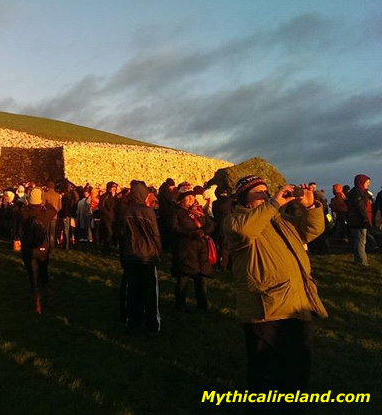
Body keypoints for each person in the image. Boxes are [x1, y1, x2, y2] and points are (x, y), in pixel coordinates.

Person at [224, 175, 327, 413]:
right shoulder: (234, 221)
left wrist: (310, 206)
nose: (264, 195)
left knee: (299, 367)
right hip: (266, 309)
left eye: (265, 191)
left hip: (296, 304)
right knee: (266, 373)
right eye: (257, 193)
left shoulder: (281, 221)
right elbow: (245, 232)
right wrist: (272, 204)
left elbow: (313, 230)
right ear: (244, 200)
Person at [117, 181, 162, 334]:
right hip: (147, 256)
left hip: (130, 255)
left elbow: (122, 236)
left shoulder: (125, 211)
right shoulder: (148, 212)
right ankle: (152, 324)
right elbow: (155, 235)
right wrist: (158, 252)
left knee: (132, 290)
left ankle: (132, 321)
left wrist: (122, 256)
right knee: (150, 292)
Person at [171, 183, 214, 312]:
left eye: (192, 197)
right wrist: (191, 234)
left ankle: (203, 305)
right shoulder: (177, 212)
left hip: (200, 249)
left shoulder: (200, 211)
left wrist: (204, 232)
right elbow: (174, 228)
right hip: (185, 249)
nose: (191, 200)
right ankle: (180, 305)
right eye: (188, 197)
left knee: (200, 279)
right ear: (182, 199)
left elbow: (210, 224)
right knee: (183, 278)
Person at [19, 187, 58, 314]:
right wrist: (44, 202)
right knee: (43, 272)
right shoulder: (46, 213)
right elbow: (54, 209)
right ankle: (47, 297)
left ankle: (37, 303)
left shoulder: (24, 212)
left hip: (28, 248)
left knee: (33, 275)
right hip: (43, 248)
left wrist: (26, 203)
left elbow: (16, 211)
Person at [345, 174, 373, 267]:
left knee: (360, 240)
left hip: (359, 220)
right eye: (367, 182)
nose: (368, 184)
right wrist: (365, 220)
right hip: (359, 221)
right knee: (360, 241)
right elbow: (360, 207)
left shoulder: (361, 192)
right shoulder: (357, 193)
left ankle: (359, 260)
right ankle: (362, 261)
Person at [99, 182, 119, 255]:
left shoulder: (116, 197)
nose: (114, 189)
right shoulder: (105, 196)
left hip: (114, 219)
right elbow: (101, 207)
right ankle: (106, 250)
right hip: (107, 219)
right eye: (113, 187)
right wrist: (107, 214)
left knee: (113, 234)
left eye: (115, 187)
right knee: (108, 234)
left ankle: (110, 250)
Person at [42, 181, 62, 249]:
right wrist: (55, 211)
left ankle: (47, 244)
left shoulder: (45, 194)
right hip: (54, 215)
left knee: (47, 231)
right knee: (52, 232)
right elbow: (60, 206)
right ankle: (52, 245)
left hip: (47, 215)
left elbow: (43, 205)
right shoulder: (57, 195)